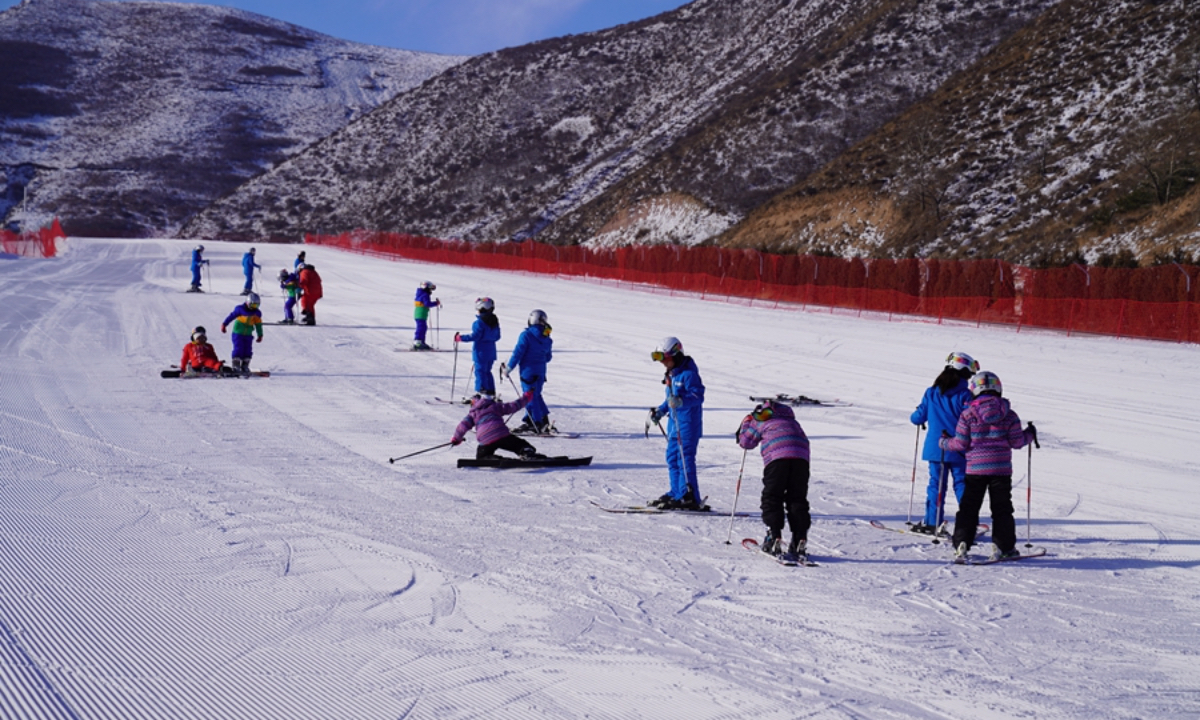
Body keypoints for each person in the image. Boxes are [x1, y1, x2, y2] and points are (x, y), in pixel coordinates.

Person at [939, 371, 1037, 562]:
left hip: (975, 470)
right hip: (1000, 470)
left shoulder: (968, 414)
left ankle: (961, 543)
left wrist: (944, 442)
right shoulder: (1009, 415)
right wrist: (1030, 434)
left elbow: (960, 444)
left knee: (968, 508)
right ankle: (1004, 546)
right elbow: (1017, 442)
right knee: (1002, 509)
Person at [908, 351, 977, 534]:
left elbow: (917, 418)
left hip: (936, 448)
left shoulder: (931, 393)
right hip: (959, 448)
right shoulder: (966, 396)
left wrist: (917, 413)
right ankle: (967, 524)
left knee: (936, 484)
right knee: (962, 484)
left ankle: (932, 522)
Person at [737, 399, 811, 560]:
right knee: (797, 498)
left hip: (777, 458)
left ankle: (774, 535)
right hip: (801, 459)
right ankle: (800, 538)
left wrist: (747, 423)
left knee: (772, 496)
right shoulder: (792, 421)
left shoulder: (760, 420)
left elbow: (745, 442)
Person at [646, 336, 705, 510]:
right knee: (672, 458)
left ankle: (690, 496)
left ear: (676, 355)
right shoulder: (673, 374)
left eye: (666, 359)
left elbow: (698, 396)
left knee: (684, 460)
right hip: (674, 427)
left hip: (688, 426)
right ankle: (676, 492)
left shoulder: (689, 374)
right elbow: (669, 400)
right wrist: (661, 411)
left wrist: (681, 401)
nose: (663, 363)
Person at [451, 391, 543, 459]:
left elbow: (462, 427)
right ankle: (526, 451)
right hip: (501, 434)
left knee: (481, 455)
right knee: (518, 444)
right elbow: (513, 405)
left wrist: (456, 439)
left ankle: (487, 458)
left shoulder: (472, 413)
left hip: (485, 439)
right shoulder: (495, 406)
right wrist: (526, 397)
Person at [502, 310, 553, 433]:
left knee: (529, 397)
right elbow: (548, 357)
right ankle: (542, 420)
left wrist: (508, 368)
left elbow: (518, 353)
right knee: (536, 395)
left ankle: (536, 423)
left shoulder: (526, 335)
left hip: (528, 372)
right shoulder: (547, 337)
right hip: (541, 372)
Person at [455, 297, 502, 397]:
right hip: (491, 352)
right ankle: (490, 391)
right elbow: (497, 336)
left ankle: (481, 392)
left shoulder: (479, 323)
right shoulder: (494, 322)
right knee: (487, 372)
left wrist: (461, 338)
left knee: (480, 372)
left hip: (481, 352)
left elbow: (475, 336)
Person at [220, 292, 264, 375]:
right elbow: (231, 316)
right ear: (248, 303)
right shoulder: (240, 309)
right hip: (238, 333)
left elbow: (258, 325)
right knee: (238, 348)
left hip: (248, 334)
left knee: (247, 349)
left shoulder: (257, 313)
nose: (254, 308)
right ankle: (236, 364)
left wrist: (260, 334)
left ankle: (245, 364)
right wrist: (224, 324)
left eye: (257, 306)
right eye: (253, 305)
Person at [412, 281, 441, 349]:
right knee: (421, 327)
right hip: (421, 313)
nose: (431, 291)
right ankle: (417, 342)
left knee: (424, 327)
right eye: (430, 289)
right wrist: (436, 303)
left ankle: (421, 342)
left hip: (421, 313)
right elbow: (427, 303)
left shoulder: (422, 294)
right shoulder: (424, 294)